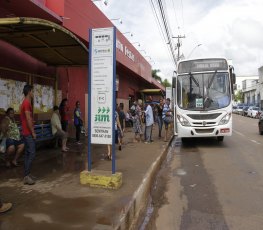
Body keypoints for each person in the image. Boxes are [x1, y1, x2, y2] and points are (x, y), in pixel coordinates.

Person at [20, 84, 36, 185]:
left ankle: (27, 174)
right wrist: (33, 132)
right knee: (32, 153)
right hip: (28, 133)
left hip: (25, 132)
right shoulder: (26, 103)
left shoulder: (25, 103)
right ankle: (26, 176)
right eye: (33, 91)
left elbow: (28, 119)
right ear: (29, 91)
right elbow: (28, 118)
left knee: (27, 154)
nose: (33, 93)